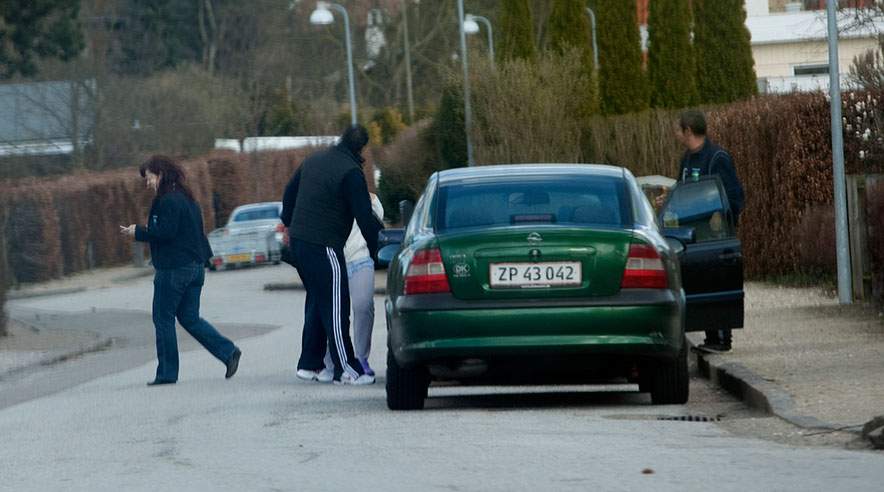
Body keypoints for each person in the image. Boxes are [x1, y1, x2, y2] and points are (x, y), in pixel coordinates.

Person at [121, 155, 241, 385]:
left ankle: (167, 373)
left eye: (149, 178)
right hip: (196, 267)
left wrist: (138, 232)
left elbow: (165, 232)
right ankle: (228, 352)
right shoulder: (188, 199)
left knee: (162, 318)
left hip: (174, 269)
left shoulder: (167, 200)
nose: (148, 183)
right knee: (189, 317)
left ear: (161, 174)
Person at [280, 125, 384, 385]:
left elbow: (289, 193)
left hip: (300, 244)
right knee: (337, 305)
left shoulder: (314, 160)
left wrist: (289, 223)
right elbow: (364, 218)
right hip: (324, 245)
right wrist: (378, 252)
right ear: (360, 149)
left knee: (319, 301)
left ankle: (310, 364)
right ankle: (347, 369)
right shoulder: (351, 173)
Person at [663, 110, 745, 352]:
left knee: (717, 279)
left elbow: (734, 196)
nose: (676, 134)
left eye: (678, 129)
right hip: (692, 231)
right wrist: (670, 201)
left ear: (688, 130)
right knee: (700, 281)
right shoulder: (687, 159)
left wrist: (721, 217)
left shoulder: (717, 157)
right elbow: (685, 190)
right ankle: (710, 337)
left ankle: (721, 338)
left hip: (714, 233)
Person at [320, 192, 384, 377]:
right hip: (332, 260)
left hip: (360, 258)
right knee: (332, 311)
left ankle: (361, 357)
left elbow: (376, 220)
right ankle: (330, 360)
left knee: (363, 306)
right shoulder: (324, 198)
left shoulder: (368, 199)